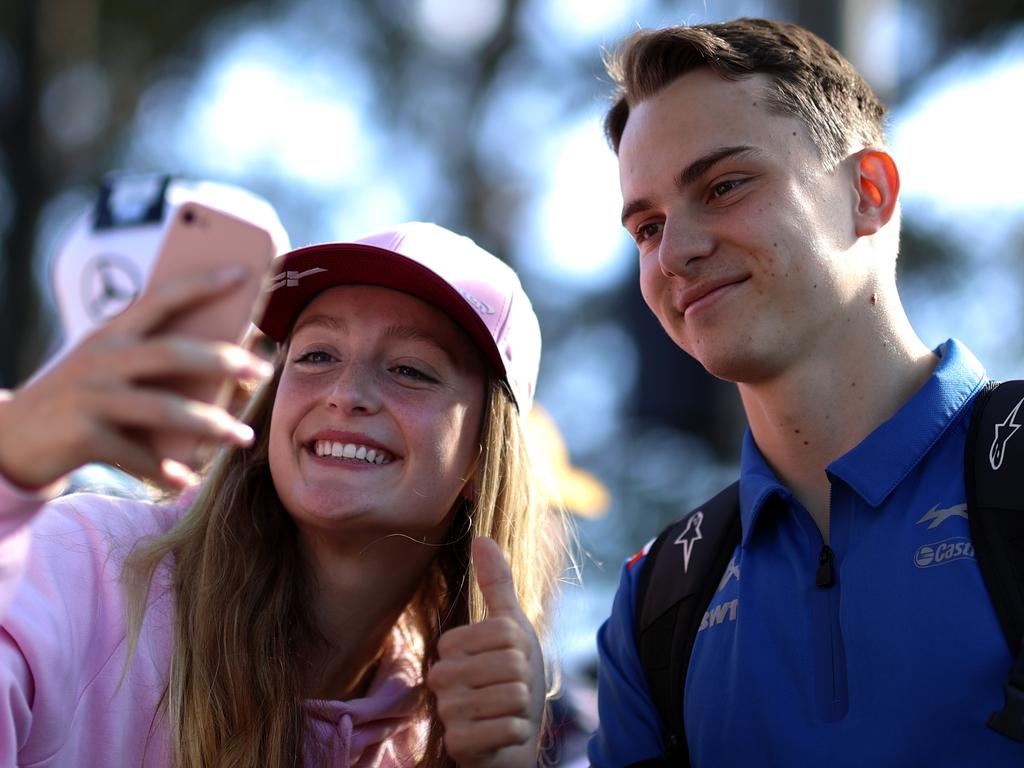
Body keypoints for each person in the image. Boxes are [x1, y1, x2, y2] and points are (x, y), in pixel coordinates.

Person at [588, 17, 1024, 767]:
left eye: (724, 186)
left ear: (870, 192)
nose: (677, 253)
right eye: (647, 227)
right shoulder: (656, 601)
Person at [0, 220, 566, 767]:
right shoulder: (83, 566)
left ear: (481, 458)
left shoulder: (439, 733)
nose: (347, 394)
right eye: (317, 354)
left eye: (411, 370)